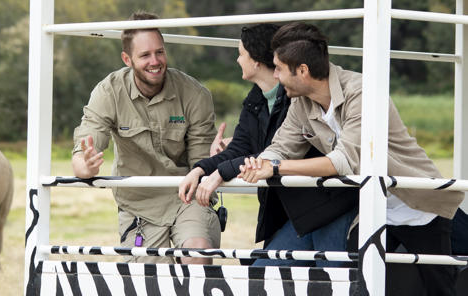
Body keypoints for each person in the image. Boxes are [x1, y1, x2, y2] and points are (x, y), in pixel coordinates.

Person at [239, 22, 463, 295]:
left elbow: (344, 162)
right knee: (360, 282)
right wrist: (261, 162)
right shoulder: (301, 102)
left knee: (441, 287)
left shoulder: (363, 93)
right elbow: (282, 146)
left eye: (279, 68)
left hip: (417, 206)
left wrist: (274, 168)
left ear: (302, 71)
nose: (274, 75)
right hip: (371, 210)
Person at [178, 24, 358, 267]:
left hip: (326, 205)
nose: (237, 59)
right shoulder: (258, 99)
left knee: (332, 279)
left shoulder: (297, 95)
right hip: (296, 213)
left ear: (256, 61)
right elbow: (264, 150)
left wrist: (225, 171)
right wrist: (201, 170)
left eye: (241, 53)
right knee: (263, 277)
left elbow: (276, 156)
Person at [71, 12, 220, 265]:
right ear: (127, 59)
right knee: (148, 282)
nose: (155, 61)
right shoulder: (108, 92)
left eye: (159, 52)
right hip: (138, 204)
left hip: (187, 196)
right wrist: (84, 167)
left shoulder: (195, 94)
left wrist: (217, 159)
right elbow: (84, 148)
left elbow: (201, 163)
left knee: (197, 255)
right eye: (145, 55)